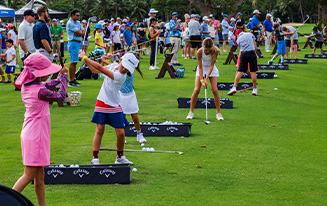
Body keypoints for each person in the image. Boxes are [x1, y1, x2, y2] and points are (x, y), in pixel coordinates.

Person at [13, 53, 68, 206]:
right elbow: (61, 95)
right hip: (36, 135)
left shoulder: (29, 86)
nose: (48, 74)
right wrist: (63, 77)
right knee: (28, 175)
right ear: (38, 74)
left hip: (33, 133)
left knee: (40, 175)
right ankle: (6, 199)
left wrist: (61, 77)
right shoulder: (40, 91)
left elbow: (49, 84)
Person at [77, 51, 139, 165]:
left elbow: (100, 67)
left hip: (114, 104)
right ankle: (95, 157)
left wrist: (85, 57)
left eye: (127, 70)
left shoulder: (121, 76)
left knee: (120, 133)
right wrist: (85, 59)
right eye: (124, 67)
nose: (124, 70)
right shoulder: (113, 66)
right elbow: (95, 70)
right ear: (120, 61)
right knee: (100, 129)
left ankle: (120, 157)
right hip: (102, 101)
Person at [186, 38, 224, 121]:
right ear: (203, 47)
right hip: (201, 69)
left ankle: (218, 113)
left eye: (208, 49)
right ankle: (191, 112)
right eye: (206, 49)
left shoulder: (215, 51)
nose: (207, 51)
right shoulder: (199, 51)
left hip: (211, 69)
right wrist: (202, 80)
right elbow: (200, 67)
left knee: (215, 90)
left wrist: (206, 79)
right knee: (196, 90)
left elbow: (211, 65)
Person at [119, 64, 147, 144]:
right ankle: (122, 136)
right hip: (121, 95)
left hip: (130, 95)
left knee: (134, 116)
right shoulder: (121, 69)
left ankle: (139, 134)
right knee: (123, 116)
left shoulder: (129, 71)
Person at [228, 29, 258, 96]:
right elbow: (255, 45)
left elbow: (240, 48)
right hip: (251, 53)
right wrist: (254, 53)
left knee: (240, 71)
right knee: (253, 71)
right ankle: (255, 89)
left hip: (243, 54)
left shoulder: (238, 39)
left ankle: (234, 87)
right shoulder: (250, 34)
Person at [66, 9, 84, 87]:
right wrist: (80, 33)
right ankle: (71, 80)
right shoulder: (70, 23)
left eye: (79, 15)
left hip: (78, 43)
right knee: (73, 62)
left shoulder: (78, 22)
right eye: (77, 15)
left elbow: (83, 32)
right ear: (72, 15)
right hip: (73, 43)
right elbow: (79, 32)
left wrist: (80, 33)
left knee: (75, 62)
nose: (78, 17)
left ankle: (73, 79)